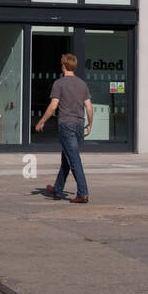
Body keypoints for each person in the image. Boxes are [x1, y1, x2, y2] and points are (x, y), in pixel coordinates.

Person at [34, 53, 93, 203]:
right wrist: (90, 124)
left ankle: (83, 193)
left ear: (64, 66)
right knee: (67, 159)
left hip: (66, 125)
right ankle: (58, 189)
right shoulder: (82, 84)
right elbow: (89, 107)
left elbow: (53, 106)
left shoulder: (59, 83)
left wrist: (42, 121)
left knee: (74, 160)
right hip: (79, 125)